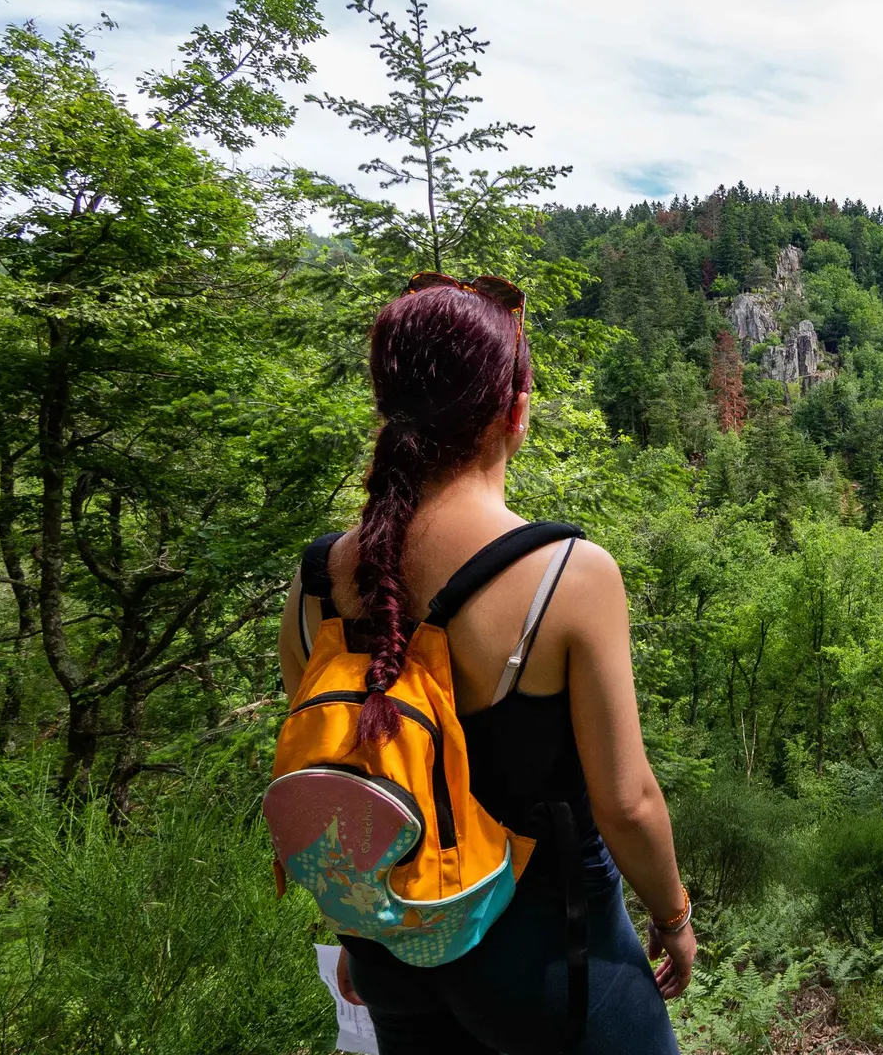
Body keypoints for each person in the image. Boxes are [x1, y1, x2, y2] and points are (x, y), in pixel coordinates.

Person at [277, 275, 692, 1054]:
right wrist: (673, 918)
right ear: (516, 410)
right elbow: (628, 801)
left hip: (394, 953)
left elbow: (342, 774)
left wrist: (359, 923)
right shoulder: (568, 574)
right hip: (549, 966)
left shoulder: (314, 584)